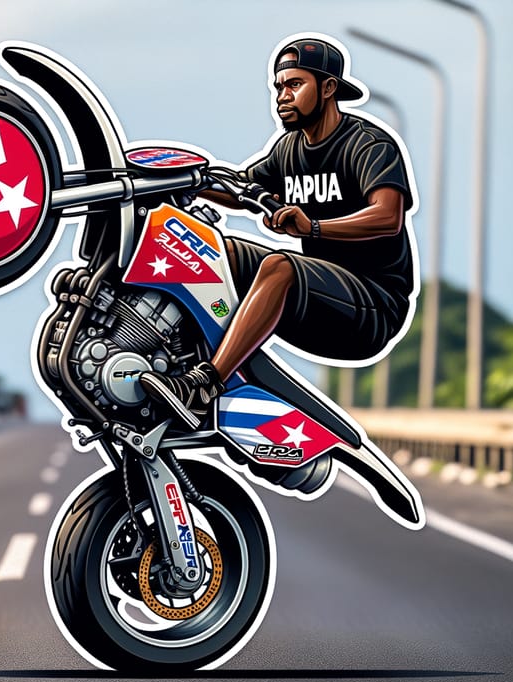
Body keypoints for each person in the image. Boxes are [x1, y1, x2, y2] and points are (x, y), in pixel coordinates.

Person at [140, 36, 417, 429]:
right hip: (318, 296)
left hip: (371, 307)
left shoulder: (367, 145)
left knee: (279, 266)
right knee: (218, 252)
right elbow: (238, 190)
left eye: (294, 85)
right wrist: (176, 179)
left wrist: (313, 227)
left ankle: (203, 386)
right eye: (278, 87)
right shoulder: (289, 149)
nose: (281, 96)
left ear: (328, 88)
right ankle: (171, 358)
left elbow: (388, 215)